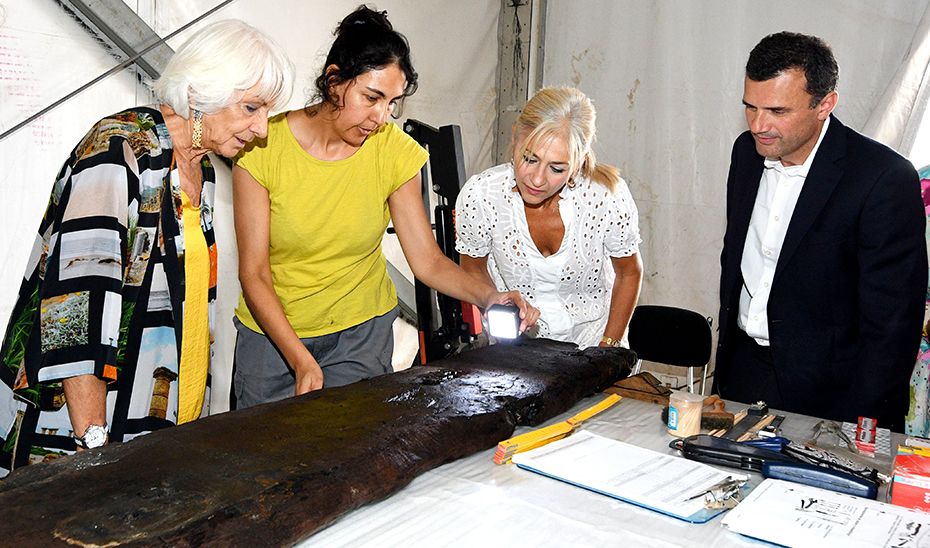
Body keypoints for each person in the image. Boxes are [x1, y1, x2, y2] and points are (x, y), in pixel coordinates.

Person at [0, 19, 293, 476]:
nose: (261, 130)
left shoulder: (201, 174)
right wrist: (93, 445)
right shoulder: (120, 149)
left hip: (157, 429)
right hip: (83, 437)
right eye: (251, 108)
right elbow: (75, 311)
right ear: (200, 94)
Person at [231, 5, 538, 409]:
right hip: (272, 338)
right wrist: (301, 360)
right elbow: (254, 274)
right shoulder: (262, 147)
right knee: (261, 462)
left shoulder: (393, 152)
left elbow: (427, 261)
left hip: (359, 338)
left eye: (392, 103)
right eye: (371, 97)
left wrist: (488, 296)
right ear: (334, 81)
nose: (381, 117)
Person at [716, 31, 927, 431]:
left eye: (778, 111)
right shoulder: (746, 153)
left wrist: (866, 425)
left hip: (831, 397)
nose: (759, 125)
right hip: (742, 373)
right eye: (750, 107)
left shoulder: (882, 178)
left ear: (824, 105)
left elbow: (892, 325)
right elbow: (738, 259)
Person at [455, 87, 643, 349]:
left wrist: (608, 346)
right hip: (515, 344)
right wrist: (500, 304)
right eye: (529, 158)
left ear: (579, 161)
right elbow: (472, 267)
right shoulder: (481, 195)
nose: (537, 179)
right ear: (515, 137)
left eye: (557, 168)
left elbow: (629, 273)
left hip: (594, 339)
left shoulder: (607, 196)